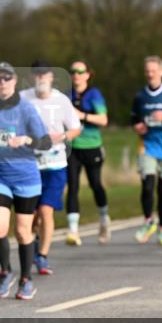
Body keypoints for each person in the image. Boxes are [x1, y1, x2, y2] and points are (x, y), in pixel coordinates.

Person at [0, 63, 53, 300]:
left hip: (26, 178)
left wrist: (26, 139)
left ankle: (26, 279)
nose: (2, 82)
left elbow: (45, 143)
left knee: (23, 232)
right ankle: (5, 271)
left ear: (14, 82)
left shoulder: (27, 109)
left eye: (6, 78)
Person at [21, 60, 81, 276]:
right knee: (32, 215)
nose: (41, 79)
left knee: (46, 210)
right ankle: (34, 243)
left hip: (55, 165)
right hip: (30, 166)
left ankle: (42, 256)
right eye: (37, 75)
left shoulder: (61, 100)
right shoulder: (23, 99)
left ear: (51, 77)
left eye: (44, 75)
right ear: (31, 78)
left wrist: (62, 136)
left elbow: (76, 128)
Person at [131, 56, 162, 246]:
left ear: (161, 72)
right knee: (147, 185)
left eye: (154, 70)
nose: (150, 74)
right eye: (147, 71)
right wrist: (138, 126)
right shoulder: (140, 96)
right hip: (147, 146)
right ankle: (148, 221)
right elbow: (133, 119)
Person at [66, 60, 110, 246]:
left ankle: (103, 218)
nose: (76, 74)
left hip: (92, 145)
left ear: (87, 74)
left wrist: (82, 115)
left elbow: (103, 119)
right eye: (73, 71)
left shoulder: (94, 94)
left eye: (80, 71)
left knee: (95, 184)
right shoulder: (66, 95)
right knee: (73, 187)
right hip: (72, 147)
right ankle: (73, 230)